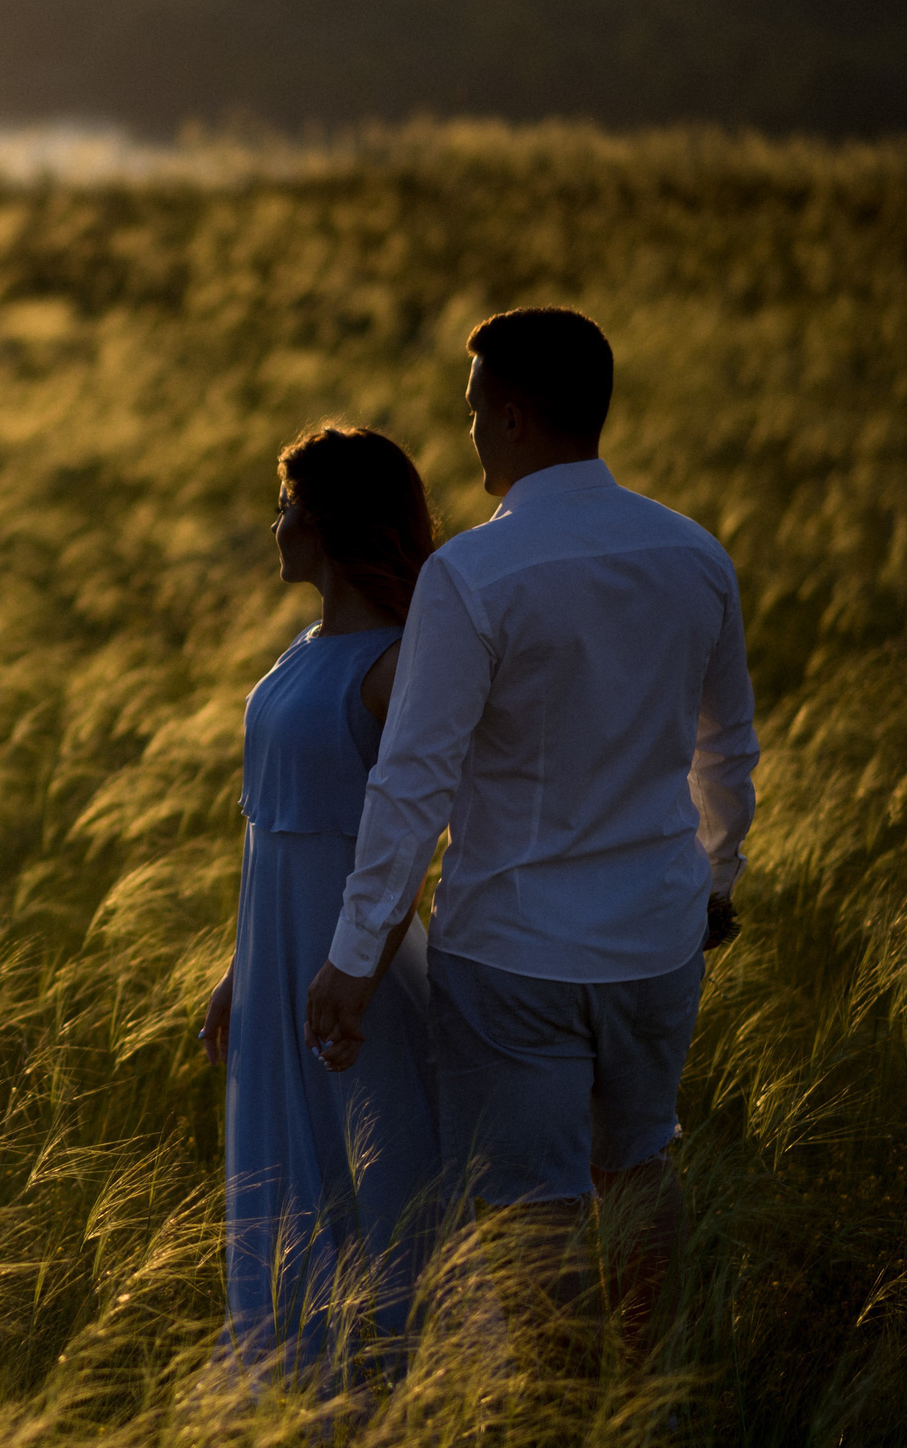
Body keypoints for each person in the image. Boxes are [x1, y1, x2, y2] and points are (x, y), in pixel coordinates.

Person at [302, 307, 757, 1364]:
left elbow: (414, 779)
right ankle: (648, 1406)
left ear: (510, 414)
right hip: (656, 937)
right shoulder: (693, 553)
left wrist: (354, 951)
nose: (466, 437)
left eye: (472, 412)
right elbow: (725, 746)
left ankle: (561, 1443)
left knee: (528, 1203)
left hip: (511, 950)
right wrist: (713, 880)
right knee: (642, 1164)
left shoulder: (474, 574)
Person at [199, 423, 442, 1375]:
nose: (277, 522)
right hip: (275, 953)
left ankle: (389, 1384)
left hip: (350, 957)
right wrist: (238, 966)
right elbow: (270, 833)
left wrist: (356, 963)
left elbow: (412, 827)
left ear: (330, 519)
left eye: (288, 502)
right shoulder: (307, 645)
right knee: (285, 1174)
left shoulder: (392, 666)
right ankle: (292, 1375)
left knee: (370, 1174)